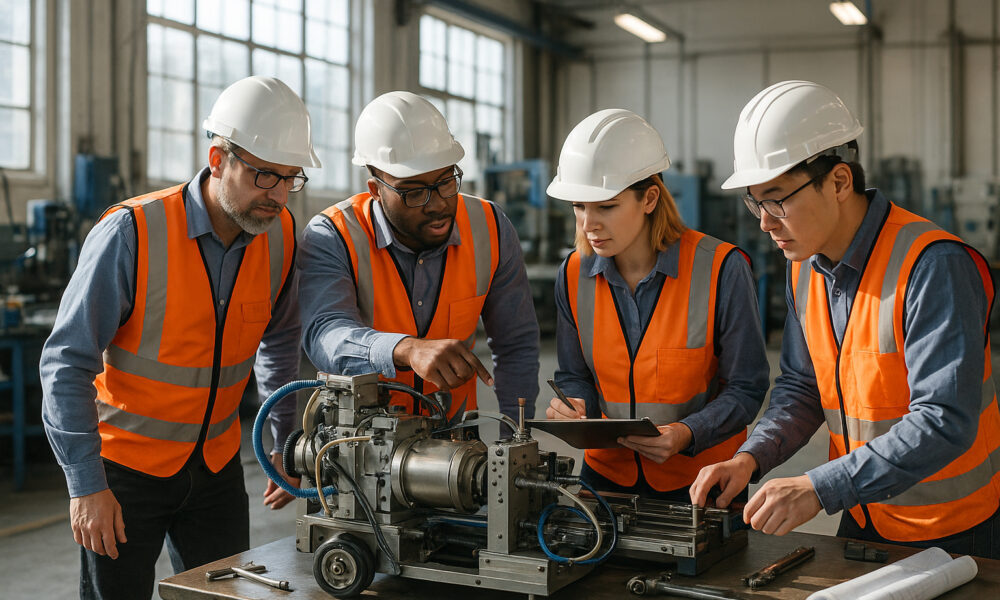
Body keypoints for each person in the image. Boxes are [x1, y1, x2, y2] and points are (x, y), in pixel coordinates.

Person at [690, 80, 1000, 559]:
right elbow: (802, 387)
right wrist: (750, 458)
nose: (764, 222)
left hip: (952, 528)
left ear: (838, 182)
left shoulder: (932, 265)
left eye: (777, 199)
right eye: (754, 202)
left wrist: (820, 487)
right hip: (863, 513)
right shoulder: (804, 268)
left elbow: (944, 420)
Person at [40, 75, 314, 599]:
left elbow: (279, 343)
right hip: (125, 471)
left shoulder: (279, 237)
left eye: (290, 178)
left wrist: (281, 441)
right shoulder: (133, 233)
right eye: (264, 175)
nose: (278, 195)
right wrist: (86, 485)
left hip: (216, 470)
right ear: (217, 159)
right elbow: (66, 361)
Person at [544, 109, 769, 500]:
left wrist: (687, 433)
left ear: (649, 198)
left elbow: (746, 388)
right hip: (606, 476)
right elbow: (574, 374)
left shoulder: (721, 269)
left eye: (606, 206)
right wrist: (574, 404)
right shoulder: (574, 274)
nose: (588, 224)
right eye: (579, 206)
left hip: (702, 478)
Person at [298, 91, 539, 424]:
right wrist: (406, 349)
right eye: (413, 192)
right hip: (362, 441)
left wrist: (515, 435)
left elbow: (516, 344)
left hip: (456, 441)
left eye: (446, 181)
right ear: (375, 189)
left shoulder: (490, 227)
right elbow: (325, 334)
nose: (437, 204)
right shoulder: (334, 235)